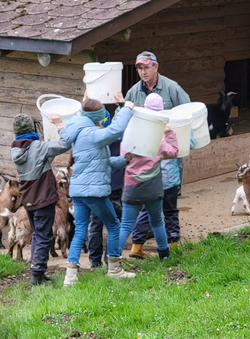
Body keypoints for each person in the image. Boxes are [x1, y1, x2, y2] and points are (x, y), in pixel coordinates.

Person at [62, 97, 135, 287]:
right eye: (102, 114)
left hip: (78, 190)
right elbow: (116, 129)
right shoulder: (92, 133)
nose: (105, 116)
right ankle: (114, 269)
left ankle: (70, 277)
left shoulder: (79, 132)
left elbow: (103, 162)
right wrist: (126, 108)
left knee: (80, 231)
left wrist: (124, 160)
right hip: (93, 190)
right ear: (97, 116)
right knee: (113, 225)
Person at [125, 51, 191, 257]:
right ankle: (167, 247)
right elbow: (123, 119)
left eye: (146, 67)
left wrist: (186, 141)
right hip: (146, 163)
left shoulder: (172, 88)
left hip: (161, 163)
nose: (143, 72)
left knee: (158, 207)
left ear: (156, 67)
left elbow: (188, 114)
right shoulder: (133, 93)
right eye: (139, 68)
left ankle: (154, 246)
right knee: (157, 207)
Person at [10, 113, 71, 286]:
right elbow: (65, 143)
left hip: (28, 198)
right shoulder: (39, 147)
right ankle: (37, 275)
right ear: (32, 128)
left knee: (38, 234)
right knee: (44, 236)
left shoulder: (15, 149)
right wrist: (59, 125)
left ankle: (37, 270)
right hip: (43, 197)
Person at [119, 93, 179, 261]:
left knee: (126, 225)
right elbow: (173, 152)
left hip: (132, 186)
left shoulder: (131, 131)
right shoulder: (158, 138)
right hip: (153, 187)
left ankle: (113, 259)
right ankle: (164, 255)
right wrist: (169, 133)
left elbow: (123, 156)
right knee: (157, 222)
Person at [87, 110, 124, 270]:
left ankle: (94, 261)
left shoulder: (92, 138)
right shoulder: (117, 137)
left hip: (96, 186)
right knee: (114, 224)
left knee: (95, 223)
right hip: (114, 185)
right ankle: (110, 258)